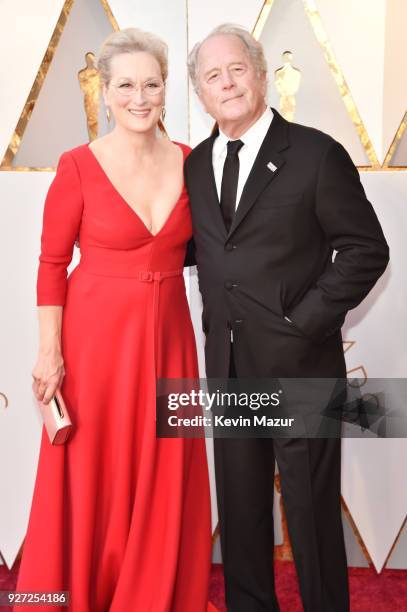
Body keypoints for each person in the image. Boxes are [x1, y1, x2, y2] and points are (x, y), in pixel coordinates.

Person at [185, 23, 389, 612]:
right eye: (212, 76)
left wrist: (303, 322)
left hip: (300, 368)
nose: (227, 84)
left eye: (236, 69)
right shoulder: (196, 166)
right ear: (200, 93)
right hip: (228, 366)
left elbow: (366, 250)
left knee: (309, 512)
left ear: (261, 73)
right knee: (243, 511)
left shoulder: (316, 153)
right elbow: (202, 251)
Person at [15, 28, 212, 612]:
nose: (139, 97)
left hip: (170, 337)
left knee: (165, 461)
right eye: (125, 84)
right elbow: (52, 266)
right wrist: (49, 352)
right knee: (90, 472)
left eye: (151, 84)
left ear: (165, 89)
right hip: (95, 341)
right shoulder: (77, 166)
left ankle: (154, 593)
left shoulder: (190, 163)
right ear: (105, 92)